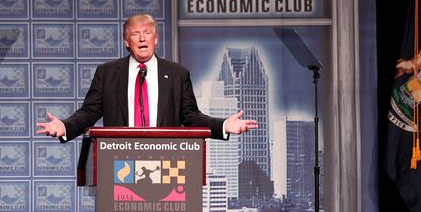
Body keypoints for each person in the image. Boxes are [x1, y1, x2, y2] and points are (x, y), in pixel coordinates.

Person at [36, 13, 258, 140]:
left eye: (147, 33)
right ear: (126, 41)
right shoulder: (108, 74)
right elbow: (89, 112)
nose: (142, 38)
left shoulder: (177, 74)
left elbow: (191, 117)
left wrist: (223, 126)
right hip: (120, 163)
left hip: (168, 164)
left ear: (156, 39)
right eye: (135, 34)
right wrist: (65, 127)